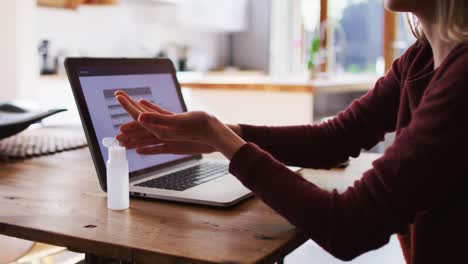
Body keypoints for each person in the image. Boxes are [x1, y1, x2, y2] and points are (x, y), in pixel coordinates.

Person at [114, 0, 468, 263]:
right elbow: (333, 140)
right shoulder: (418, 61)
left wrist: (218, 138)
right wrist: (220, 132)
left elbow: (349, 225)